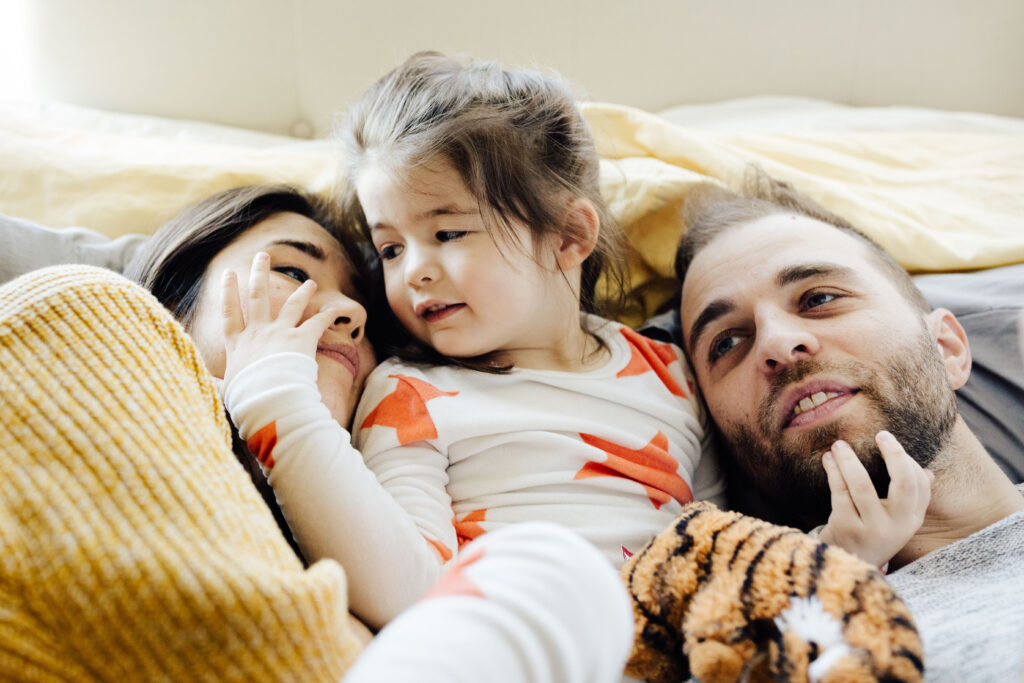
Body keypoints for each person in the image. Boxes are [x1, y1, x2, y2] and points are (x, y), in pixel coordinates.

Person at [0, 186, 636, 681]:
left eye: (359, 303)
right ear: (174, 301)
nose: (350, 311)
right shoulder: (81, 310)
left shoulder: (366, 539)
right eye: (291, 273)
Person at [217, 52, 729, 631]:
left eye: (447, 232)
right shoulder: (410, 392)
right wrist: (275, 401)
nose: (413, 271)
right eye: (390, 249)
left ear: (568, 236)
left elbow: (727, 547)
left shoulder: (672, 373)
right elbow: (411, 593)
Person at [673, 172, 1024, 679]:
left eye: (818, 299)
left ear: (946, 349)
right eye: (727, 343)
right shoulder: (745, 636)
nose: (775, 343)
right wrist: (824, 583)